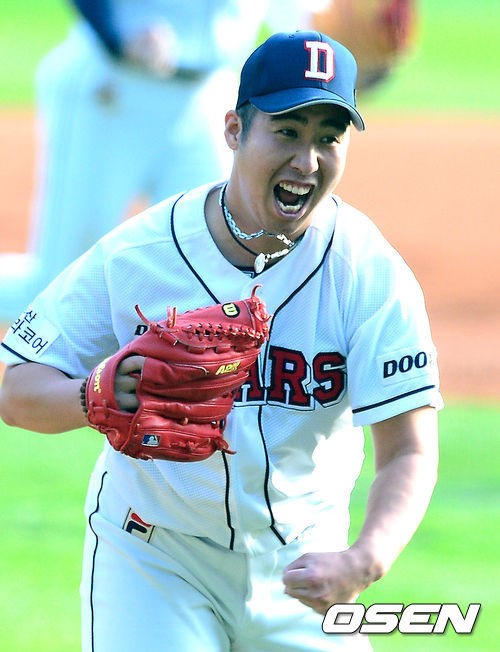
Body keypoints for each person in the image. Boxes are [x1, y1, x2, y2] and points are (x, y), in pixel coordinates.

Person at [0, 30, 442, 652]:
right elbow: (17, 389)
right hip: (155, 561)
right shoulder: (141, 254)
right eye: (287, 132)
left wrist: (366, 558)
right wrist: (97, 395)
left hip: (304, 571)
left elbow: (409, 449)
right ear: (235, 131)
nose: (307, 161)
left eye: (328, 138)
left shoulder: (367, 272)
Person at [0, 0, 305, 323]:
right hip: (113, 84)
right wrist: (115, 36)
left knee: (202, 273)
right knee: (62, 285)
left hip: (210, 99)